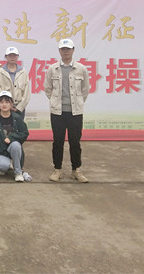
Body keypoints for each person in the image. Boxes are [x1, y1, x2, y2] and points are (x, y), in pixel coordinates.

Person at [44, 38, 90, 183]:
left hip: (75, 112)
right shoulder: (52, 69)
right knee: (57, 142)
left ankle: (76, 170)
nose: (66, 52)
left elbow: (85, 90)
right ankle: (57, 170)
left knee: (75, 142)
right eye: (63, 49)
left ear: (73, 50)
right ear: (59, 51)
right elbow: (48, 88)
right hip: (57, 112)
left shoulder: (81, 68)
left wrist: (78, 102)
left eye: (68, 49)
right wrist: (55, 102)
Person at [0, 91, 30, 182]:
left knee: (16, 145)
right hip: (0, 151)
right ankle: (7, 164)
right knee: (2, 167)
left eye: (7, 102)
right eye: (1, 102)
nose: (4, 105)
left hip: (13, 148)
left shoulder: (17, 118)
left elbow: (24, 133)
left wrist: (11, 138)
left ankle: (18, 172)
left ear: (11, 104)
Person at [0, 46, 31, 117]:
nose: (12, 57)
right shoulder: (1, 72)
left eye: (14, 55)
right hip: (5, 108)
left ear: (18, 57)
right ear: (6, 57)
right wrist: (6, 104)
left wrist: (19, 107)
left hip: (19, 108)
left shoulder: (23, 72)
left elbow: (26, 93)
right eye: (10, 55)